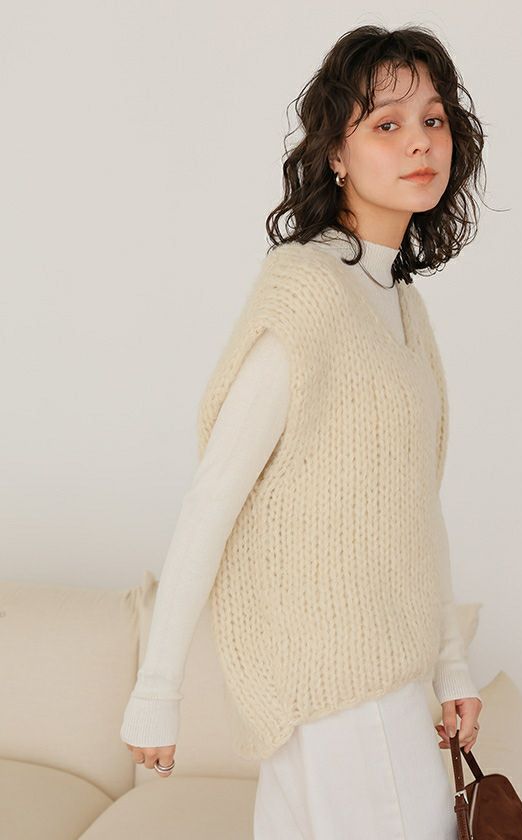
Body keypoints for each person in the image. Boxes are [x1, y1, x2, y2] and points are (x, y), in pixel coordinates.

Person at [120, 23, 488, 839]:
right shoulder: (310, 292)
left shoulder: (399, 303)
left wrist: (451, 664)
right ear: (335, 154)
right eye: (386, 124)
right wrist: (156, 688)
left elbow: (415, 508)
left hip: (379, 675)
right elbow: (215, 493)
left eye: (433, 119)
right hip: (340, 685)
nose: (420, 142)